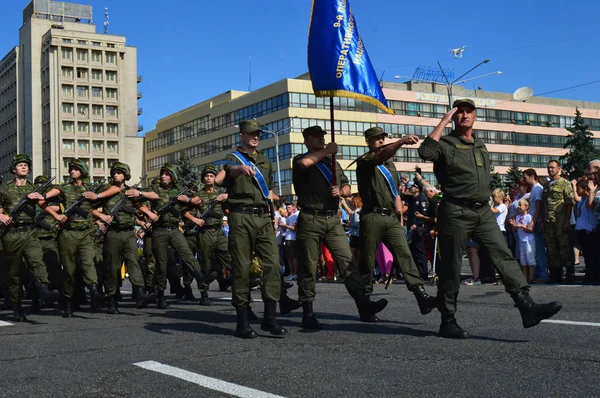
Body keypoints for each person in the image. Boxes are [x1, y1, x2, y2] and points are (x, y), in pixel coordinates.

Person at [418, 98, 562, 339]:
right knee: (451, 266)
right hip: (455, 210)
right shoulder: (445, 143)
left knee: (502, 254)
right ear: (454, 117)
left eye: (469, 112)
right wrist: (443, 122)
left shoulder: (481, 145)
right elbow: (425, 152)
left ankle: (526, 306)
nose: (464, 115)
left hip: (482, 211)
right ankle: (448, 320)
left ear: (475, 116)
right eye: (459, 112)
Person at [345, 126, 437, 323]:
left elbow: (395, 192)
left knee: (405, 254)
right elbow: (379, 156)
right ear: (368, 141)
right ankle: (365, 304)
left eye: (382, 138)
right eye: (376, 139)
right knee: (367, 261)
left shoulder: (390, 164)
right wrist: (401, 141)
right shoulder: (366, 161)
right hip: (373, 216)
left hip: (391, 217)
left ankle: (421, 296)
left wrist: (400, 217)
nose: (380, 141)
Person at [215, 120, 285, 338]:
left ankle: (270, 318)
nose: (256, 137)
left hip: (263, 217)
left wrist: (273, 212)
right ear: (242, 135)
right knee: (242, 268)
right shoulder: (232, 158)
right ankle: (242, 321)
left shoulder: (265, 160)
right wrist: (240, 169)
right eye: (251, 133)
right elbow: (224, 175)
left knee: (273, 265)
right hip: (241, 217)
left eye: (258, 134)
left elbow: (269, 190)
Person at [292, 125, 356, 329]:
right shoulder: (301, 159)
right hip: (310, 217)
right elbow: (305, 163)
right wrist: (327, 151)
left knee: (347, 261)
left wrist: (342, 192)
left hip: (332, 218)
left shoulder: (332, 162)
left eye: (322, 136)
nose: (321, 138)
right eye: (316, 136)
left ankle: (364, 304)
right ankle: (308, 312)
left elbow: (347, 186)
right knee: (309, 267)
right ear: (306, 141)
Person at [126, 163, 205, 309]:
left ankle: (201, 279)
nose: (163, 176)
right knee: (161, 264)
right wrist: (149, 213)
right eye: (162, 173)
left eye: (167, 174)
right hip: (159, 230)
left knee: (187, 254)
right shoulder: (155, 188)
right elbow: (137, 202)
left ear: (173, 176)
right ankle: (160, 296)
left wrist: (186, 199)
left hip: (175, 229)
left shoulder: (180, 189)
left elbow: (198, 200)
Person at [43, 159, 107, 317]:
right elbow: (46, 198)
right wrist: (57, 215)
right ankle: (68, 301)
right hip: (68, 234)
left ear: (83, 172)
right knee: (70, 271)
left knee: (88, 261)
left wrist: (96, 199)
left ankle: (94, 290)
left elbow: (97, 206)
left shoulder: (90, 189)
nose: (72, 171)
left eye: (76, 169)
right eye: (71, 169)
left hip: (86, 233)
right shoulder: (63, 188)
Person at [0, 155, 59, 321]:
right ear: (14, 169)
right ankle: (17, 307)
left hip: (30, 232)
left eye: (26, 165)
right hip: (11, 234)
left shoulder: (34, 188)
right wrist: (1, 216)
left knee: (36, 260)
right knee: (15, 273)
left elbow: (48, 199)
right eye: (20, 165)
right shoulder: (5, 188)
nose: (24, 167)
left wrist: (55, 214)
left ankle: (44, 289)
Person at [93, 162, 153, 313]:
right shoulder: (105, 190)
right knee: (112, 267)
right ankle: (112, 299)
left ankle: (140, 294)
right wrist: (102, 216)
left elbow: (139, 205)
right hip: (112, 233)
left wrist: (150, 214)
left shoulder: (131, 192)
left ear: (125, 175)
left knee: (133, 262)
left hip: (128, 233)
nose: (115, 175)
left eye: (119, 172)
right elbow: (92, 207)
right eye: (114, 172)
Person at [184, 165, 231, 303]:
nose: (209, 178)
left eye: (211, 176)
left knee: (229, 257)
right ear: (203, 179)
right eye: (206, 176)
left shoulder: (220, 193)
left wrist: (226, 198)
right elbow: (184, 211)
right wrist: (195, 219)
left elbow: (228, 208)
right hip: (205, 232)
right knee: (205, 264)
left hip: (219, 231)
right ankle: (204, 294)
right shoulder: (198, 195)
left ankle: (236, 282)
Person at [541, 160, 575, 284]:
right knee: (552, 249)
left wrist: (566, 221)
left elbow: (569, 203)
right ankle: (556, 274)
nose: (550, 170)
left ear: (558, 168)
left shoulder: (565, 183)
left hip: (560, 221)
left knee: (564, 247)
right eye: (548, 168)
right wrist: (543, 222)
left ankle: (570, 274)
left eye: (552, 167)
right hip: (549, 222)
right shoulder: (546, 185)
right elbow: (544, 205)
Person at [522, 169, 548, 282]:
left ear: (532, 177)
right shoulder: (534, 189)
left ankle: (542, 275)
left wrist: (533, 222)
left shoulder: (538, 189)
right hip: (534, 221)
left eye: (525, 177)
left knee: (539, 249)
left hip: (536, 222)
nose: (524, 179)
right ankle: (539, 274)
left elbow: (538, 208)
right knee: (535, 249)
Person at [576, 178, 598, 284]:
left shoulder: (589, 198)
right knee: (586, 255)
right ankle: (589, 275)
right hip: (581, 229)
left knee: (591, 255)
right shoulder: (582, 199)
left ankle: (592, 276)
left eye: (578, 189)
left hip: (587, 230)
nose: (576, 191)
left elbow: (590, 216)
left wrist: (589, 228)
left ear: (585, 189)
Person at [514, 199, 536, 284]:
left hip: (528, 241)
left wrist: (522, 226)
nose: (518, 207)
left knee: (530, 259)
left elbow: (530, 230)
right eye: (518, 205)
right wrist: (514, 226)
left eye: (520, 205)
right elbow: (516, 229)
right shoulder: (517, 217)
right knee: (523, 261)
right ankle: (525, 277)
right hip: (521, 240)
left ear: (526, 207)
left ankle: (531, 277)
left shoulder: (529, 217)